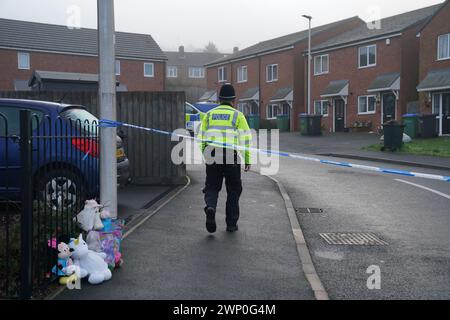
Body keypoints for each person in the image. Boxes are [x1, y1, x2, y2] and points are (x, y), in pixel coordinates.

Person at [198, 84, 252, 233]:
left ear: (219, 99)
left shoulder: (209, 115)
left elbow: (201, 137)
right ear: (233, 100)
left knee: (212, 186)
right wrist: (247, 159)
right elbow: (246, 140)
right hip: (230, 155)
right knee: (234, 190)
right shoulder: (237, 115)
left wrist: (205, 153)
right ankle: (231, 224)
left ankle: (211, 207)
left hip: (212, 153)